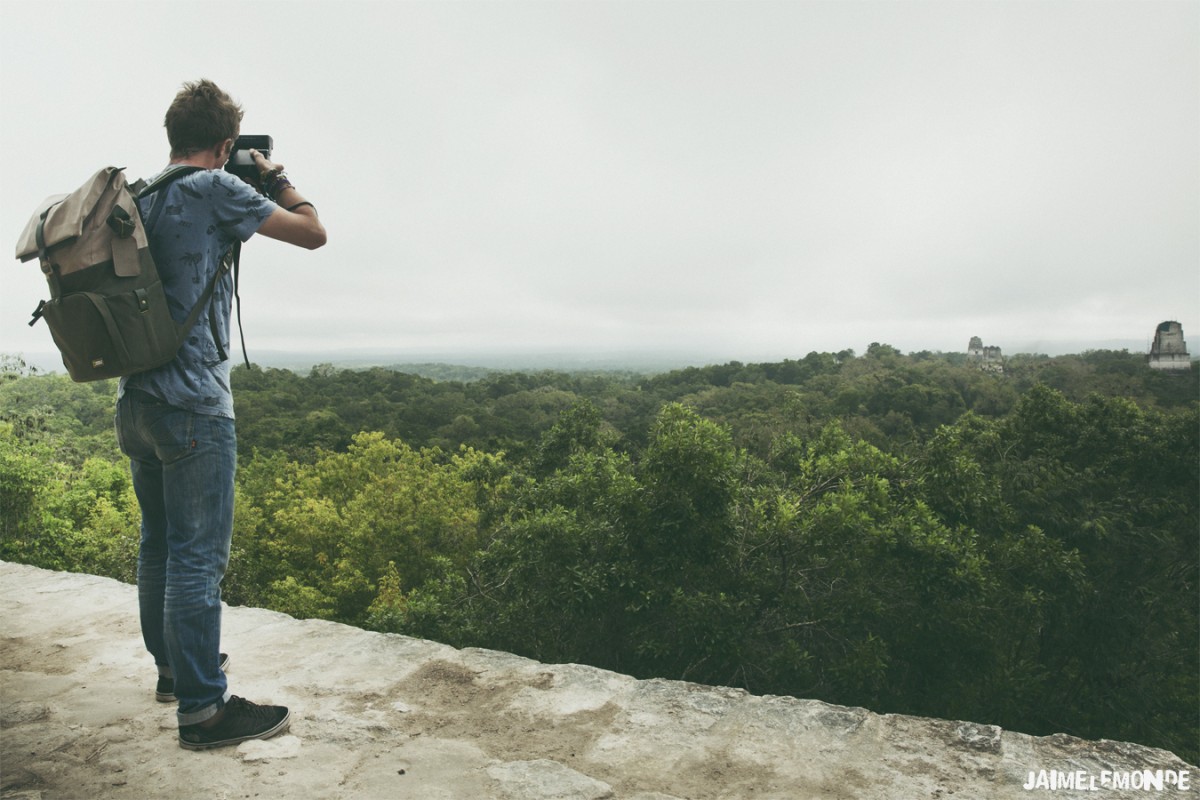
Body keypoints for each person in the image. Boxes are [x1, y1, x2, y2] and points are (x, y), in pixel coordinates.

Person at [114, 79, 327, 750]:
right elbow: (313, 235)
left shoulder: (143, 194)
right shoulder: (214, 189)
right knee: (197, 559)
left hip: (137, 401)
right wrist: (279, 178)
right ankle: (205, 711)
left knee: (159, 545)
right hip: (193, 406)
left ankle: (175, 674)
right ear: (227, 144)